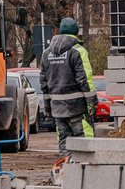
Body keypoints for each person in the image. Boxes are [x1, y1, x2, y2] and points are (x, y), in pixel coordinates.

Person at [40, 17, 96, 157]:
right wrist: (92, 101)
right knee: (85, 142)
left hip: (57, 108)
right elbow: (85, 79)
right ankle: (85, 168)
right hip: (77, 107)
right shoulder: (78, 51)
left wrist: (47, 105)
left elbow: (44, 83)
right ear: (76, 32)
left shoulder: (46, 53)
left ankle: (65, 168)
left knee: (64, 143)